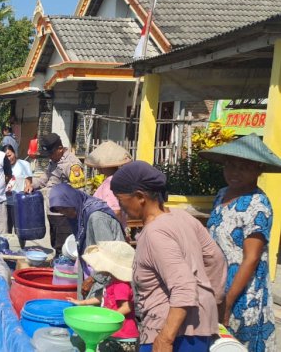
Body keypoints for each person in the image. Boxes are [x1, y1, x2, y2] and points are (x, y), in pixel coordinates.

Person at [112, 161, 227, 352]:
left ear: (140, 197)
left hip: (171, 333)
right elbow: (216, 260)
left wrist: (165, 338)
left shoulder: (154, 233)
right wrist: (211, 305)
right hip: (200, 329)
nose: (121, 206)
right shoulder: (183, 217)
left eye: (121, 199)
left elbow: (183, 285)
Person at [200, 133, 279, 352]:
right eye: (230, 165)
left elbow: (251, 258)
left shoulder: (257, 204)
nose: (235, 172)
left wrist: (229, 299)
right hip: (216, 285)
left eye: (244, 167)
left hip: (243, 293)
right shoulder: (222, 194)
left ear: (258, 169)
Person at [49, 183, 125, 299]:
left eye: (65, 208)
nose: (65, 213)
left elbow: (109, 255)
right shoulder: (78, 214)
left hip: (107, 275)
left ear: (72, 201)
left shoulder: (97, 217)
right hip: (94, 272)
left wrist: (92, 279)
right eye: (60, 211)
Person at [67, 241, 139, 352]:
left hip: (122, 337)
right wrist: (82, 303)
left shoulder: (121, 285)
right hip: (112, 333)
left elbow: (127, 307)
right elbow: (103, 297)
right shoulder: (112, 281)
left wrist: (108, 318)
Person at [32, 133, 86, 251]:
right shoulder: (54, 161)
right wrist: (31, 185)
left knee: (64, 247)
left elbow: (79, 192)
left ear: (60, 149)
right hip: (53, 212)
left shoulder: (72, 165)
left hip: (64, 215)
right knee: (55, 243)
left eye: (51, 153)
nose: (49, 157)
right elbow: (44, 179)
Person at [85, 141, 133, 231]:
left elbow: (116, 211)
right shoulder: (118, 179)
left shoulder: (111, 182)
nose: (97, 168)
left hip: (109, 230)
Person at [3, 142, 33, 236]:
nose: (9, 158)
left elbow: (29, 183)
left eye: (10, 155)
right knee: (6, 231)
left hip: (19, 203)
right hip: (5, 203)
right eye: (6, 157)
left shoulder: (24, 164)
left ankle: (21, 248)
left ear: (14, 153)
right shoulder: (1, 167)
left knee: (20, 230)